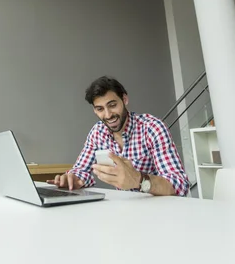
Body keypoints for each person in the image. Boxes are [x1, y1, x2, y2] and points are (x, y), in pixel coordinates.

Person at [48, 76, 190, 196]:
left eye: (112, 105)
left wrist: (138, 180)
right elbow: (81, 170)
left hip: (162, 212)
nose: (108, 115)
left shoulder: (152, 128)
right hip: (126, 212)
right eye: (100, 109)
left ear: (125, 99)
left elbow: (179, 184)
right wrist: (73, 178)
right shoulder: (97, 133)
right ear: (94, 110)